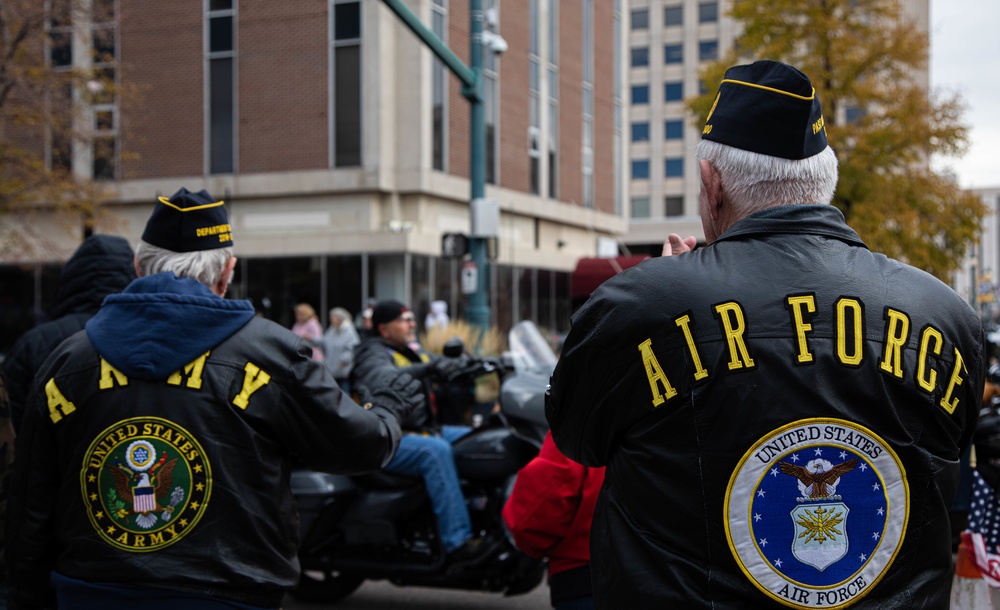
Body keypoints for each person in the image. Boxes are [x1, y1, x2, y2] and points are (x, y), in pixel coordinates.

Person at [546, 60, 985, 608]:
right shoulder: (946, 314)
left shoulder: (638, 306)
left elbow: (576, 440)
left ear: (712, 184)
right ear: (825, 180)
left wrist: (661, 294)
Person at [5, 187, 420, 609]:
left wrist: (26, 595)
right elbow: (358, 445)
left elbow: (30, 503)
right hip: (230, 594)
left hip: (91, 592)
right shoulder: (270, 354)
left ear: (137, 267)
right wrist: (388, 404)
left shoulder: (68, 360)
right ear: (227, 271)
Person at [352, 299, 491, 563]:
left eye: (412, 319)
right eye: (404, 320)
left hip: (424, 429)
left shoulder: (411, 351)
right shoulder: (372, 352)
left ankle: (485, 512)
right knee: (435, 452)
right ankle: (458, 541)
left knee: (482, 439)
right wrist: (427, 369)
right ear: (384, 329)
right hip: (386, 437)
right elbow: (381, 378)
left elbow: (439, 362)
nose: (412, 324)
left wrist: (482, 363)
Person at [2, 234, 136, 431]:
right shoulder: (147, 337)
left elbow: (11, 423)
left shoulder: (35, 343)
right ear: (131, 278)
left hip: (50, 458)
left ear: (72, 277)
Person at [502, 431, 605, 610]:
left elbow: (535, 516)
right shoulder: (667, 417)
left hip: (584, 577)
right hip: (660, 576)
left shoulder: (582, 419)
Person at [323, 307, 360, 392]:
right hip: (331, 369)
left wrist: (344, 360)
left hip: (343, 371)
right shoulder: (332, 330)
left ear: (339, 318)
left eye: (332, 317)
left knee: (344, 392)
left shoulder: (349, 331)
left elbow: (353, 348)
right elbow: (324, 341)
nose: (330, 319)